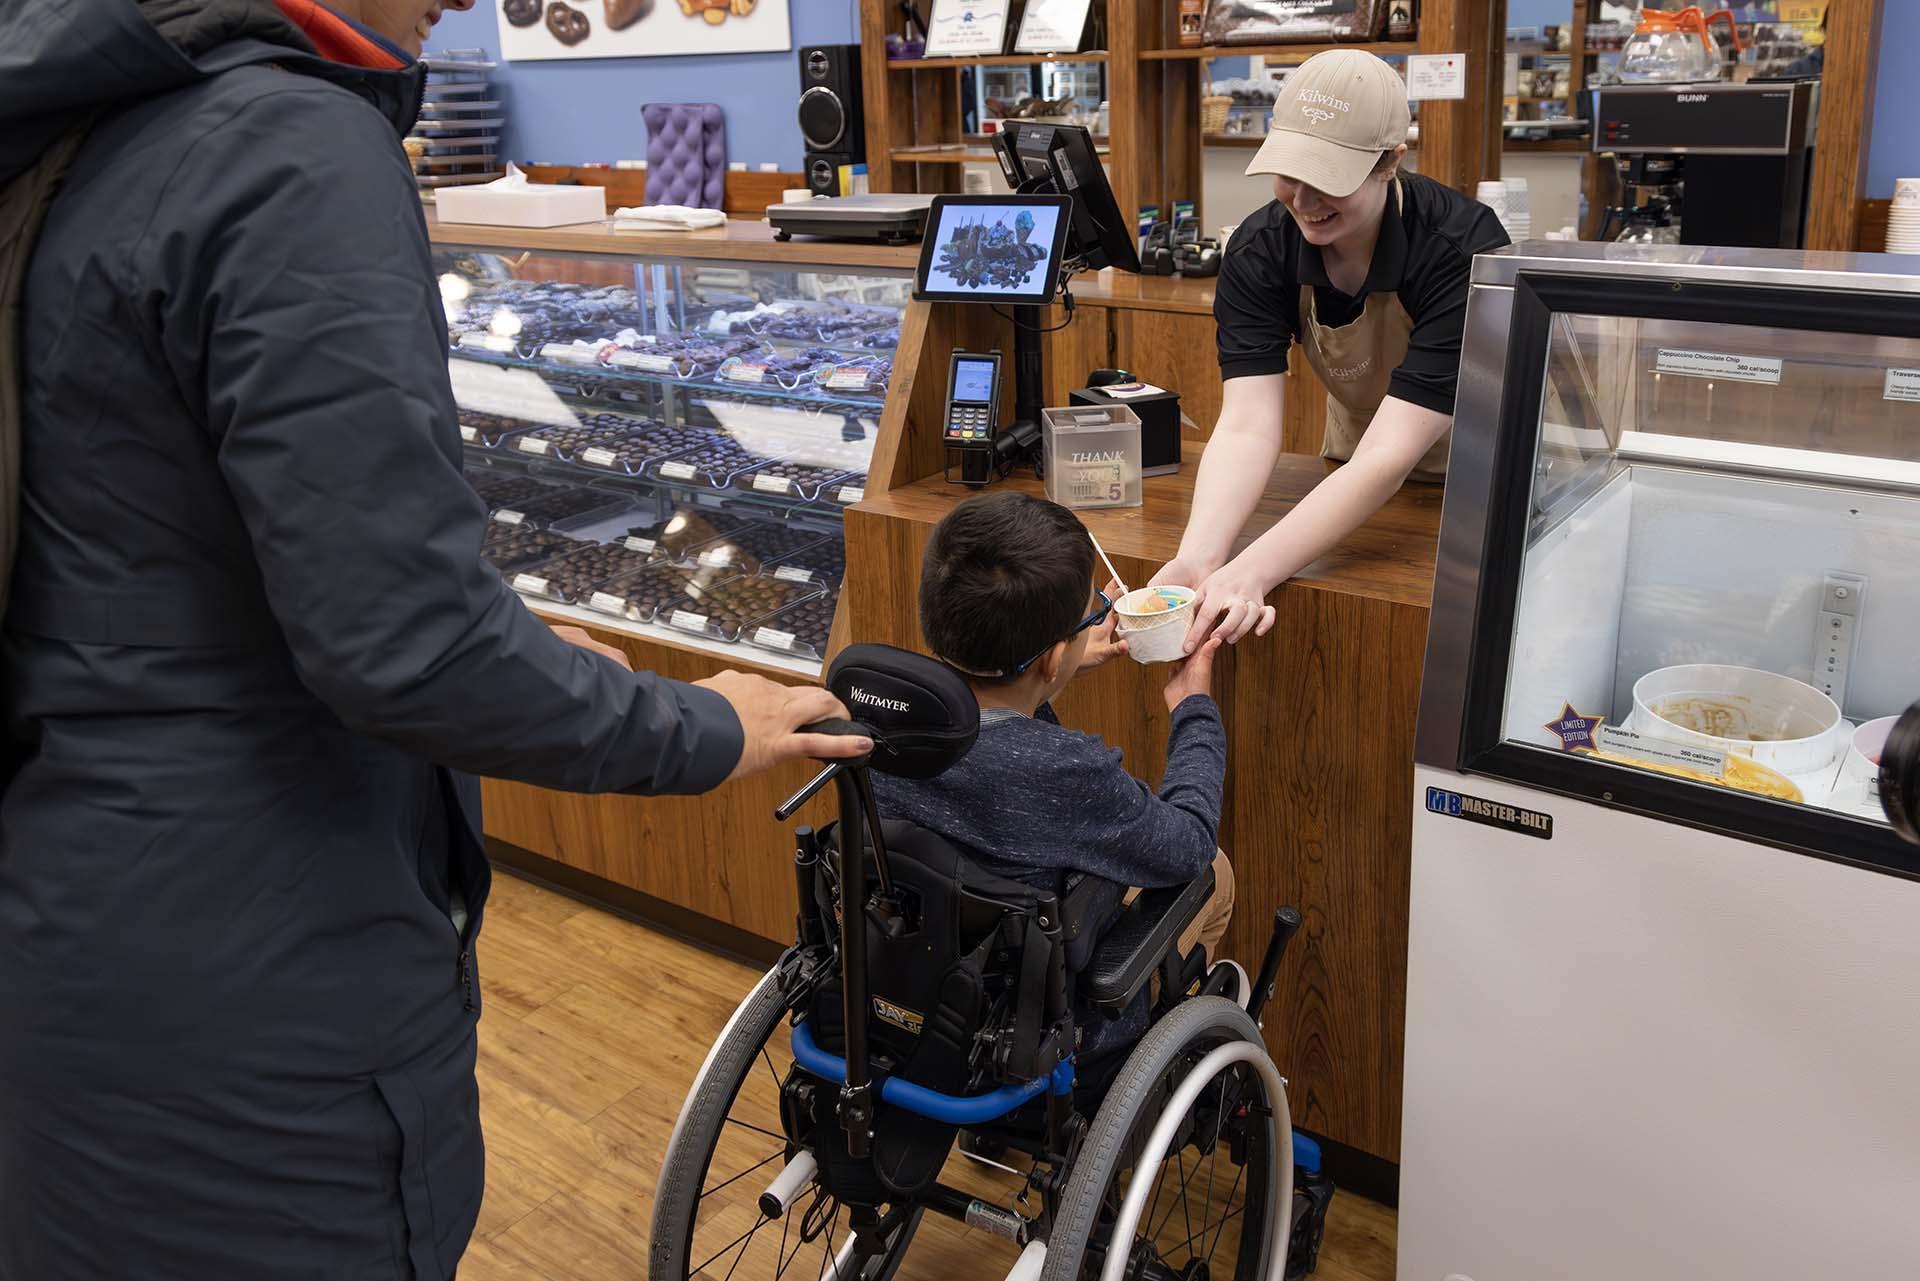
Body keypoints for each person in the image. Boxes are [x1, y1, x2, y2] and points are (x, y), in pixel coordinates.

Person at [0, 2, 868, 1278]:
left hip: (75, 924)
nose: (463, 6)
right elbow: (404, 647)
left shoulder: (75, 120)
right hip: (260, 977)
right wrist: (709, 721)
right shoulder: (291, 145)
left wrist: (508, 642)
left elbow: (178, 544)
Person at [1154, 49, 1510, 651]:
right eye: (1291, 172)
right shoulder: (1259, 250)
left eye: (1330, 178)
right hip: (1355, 463)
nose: (1305, 199)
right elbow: (1245, 427)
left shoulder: (1460, 251)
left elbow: (1390, 457)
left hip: (1478, 479)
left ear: (1390, 162)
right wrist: (1200, 558)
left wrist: (1255, 569)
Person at [871, 493, 1242, 1048]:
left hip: (910, 978)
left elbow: (996, 738)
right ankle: (1168, 1041)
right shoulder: (1068, 772)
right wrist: (1194, 712)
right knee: (1216, 868)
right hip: (1037, 1030)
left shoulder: (878, 707)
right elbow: (1187, 842)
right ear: (1048, 658)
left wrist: (1053, 673)